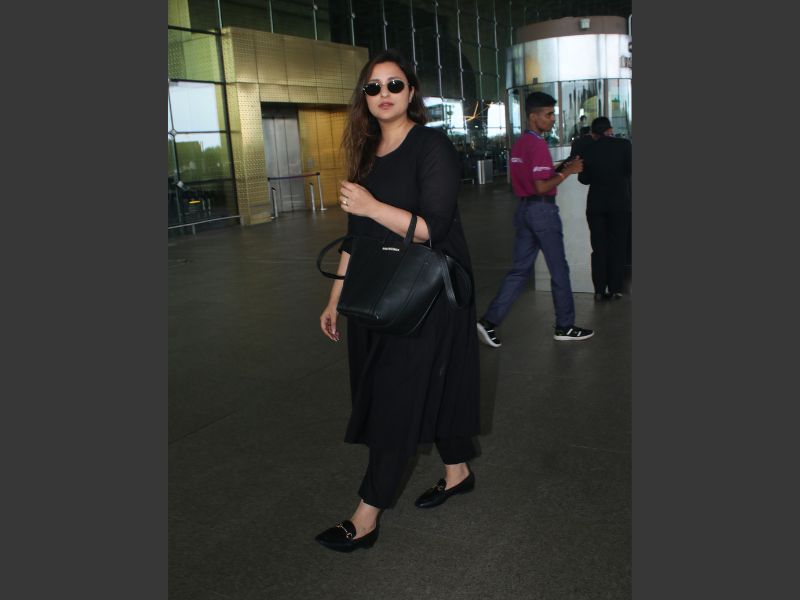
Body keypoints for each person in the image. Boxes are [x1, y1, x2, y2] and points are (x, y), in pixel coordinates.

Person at [316, 50, 481, 553]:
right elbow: (356, 235)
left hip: (428, 294)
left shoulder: (432, 146)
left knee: (395, 397)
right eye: (373, 87)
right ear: (364, 98)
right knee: (424, 384)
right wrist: (335, 296)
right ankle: (457, 470)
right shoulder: (365, 154)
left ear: (411, 92)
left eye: (394, 85)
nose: (383, 94)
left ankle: (366, 515)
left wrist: (372, 205)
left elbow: (434, 228)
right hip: (378, 291)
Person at [476, 92, 594, 348]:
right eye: (548, 114)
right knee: (559, 270)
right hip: (543, 212)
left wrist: (561, 168)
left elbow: (533, 179)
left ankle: (488, 321)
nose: (553, 119)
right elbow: (541, 186)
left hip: (525, 211)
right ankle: (564, 325)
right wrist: (569, 172)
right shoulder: (538, 145)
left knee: (519, 270)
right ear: (533, 116)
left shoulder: (520, 145)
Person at [577, 116, 632, 300]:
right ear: (610, 130)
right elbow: (630, 169)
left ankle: (600, 290)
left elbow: (584, 179)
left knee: (599, 247)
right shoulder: (625, 145)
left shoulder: (588, 149)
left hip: (596, 205)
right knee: (618, 246)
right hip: (620, 204)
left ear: (593, 133)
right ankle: (615, 289)